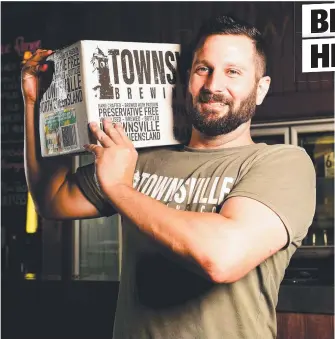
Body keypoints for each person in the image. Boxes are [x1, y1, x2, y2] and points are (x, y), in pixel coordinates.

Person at [22, 15, 316, 339]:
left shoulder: (283, 163)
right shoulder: (141, 158)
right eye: (203, 68)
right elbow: (52, 200)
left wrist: (119, 188)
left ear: (261, 89)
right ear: (189, 76)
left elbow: (221, 257)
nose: (213, 85)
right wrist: (38, 104)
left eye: (233, 71)